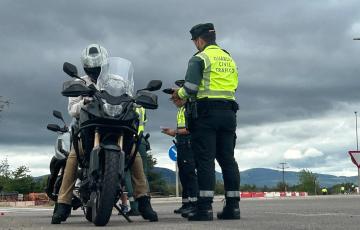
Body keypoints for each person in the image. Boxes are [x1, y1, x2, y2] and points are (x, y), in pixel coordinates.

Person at [51, 44, 158, 224]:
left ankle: (144, 201)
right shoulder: (81, 82)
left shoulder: (116, 80)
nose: (94, 71)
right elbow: (72, 110)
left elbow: (127, 94)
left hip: (114, 123)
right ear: (85, 67)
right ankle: (63, 204)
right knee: (73, 156)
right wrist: (84, 101)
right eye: (90, 69)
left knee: (134, 153)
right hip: (88, 126)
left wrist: (134, 101)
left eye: (97, 68)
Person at [172, 23, 240, 221]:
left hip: (206, 114)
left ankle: (204, 209)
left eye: (195, 41)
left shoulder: (199, 58)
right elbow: (234, 84)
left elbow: (191, 87)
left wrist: (179, 93)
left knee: (205, 160)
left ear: (199, 40)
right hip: (229, 112)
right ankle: (233, 207)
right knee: (228, 159)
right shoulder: (228, 57)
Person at [161, 82, 198, 215]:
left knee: (189, 174)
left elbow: (189, 129)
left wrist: (174, 131)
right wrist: (172, 132)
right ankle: (186, 203)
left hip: (188, 143)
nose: (175, 102)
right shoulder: (181, 110)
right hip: (181, 143)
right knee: (183, 174)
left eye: (176, 99)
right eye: (173, 100)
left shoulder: (190, 107)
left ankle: (194, 203)